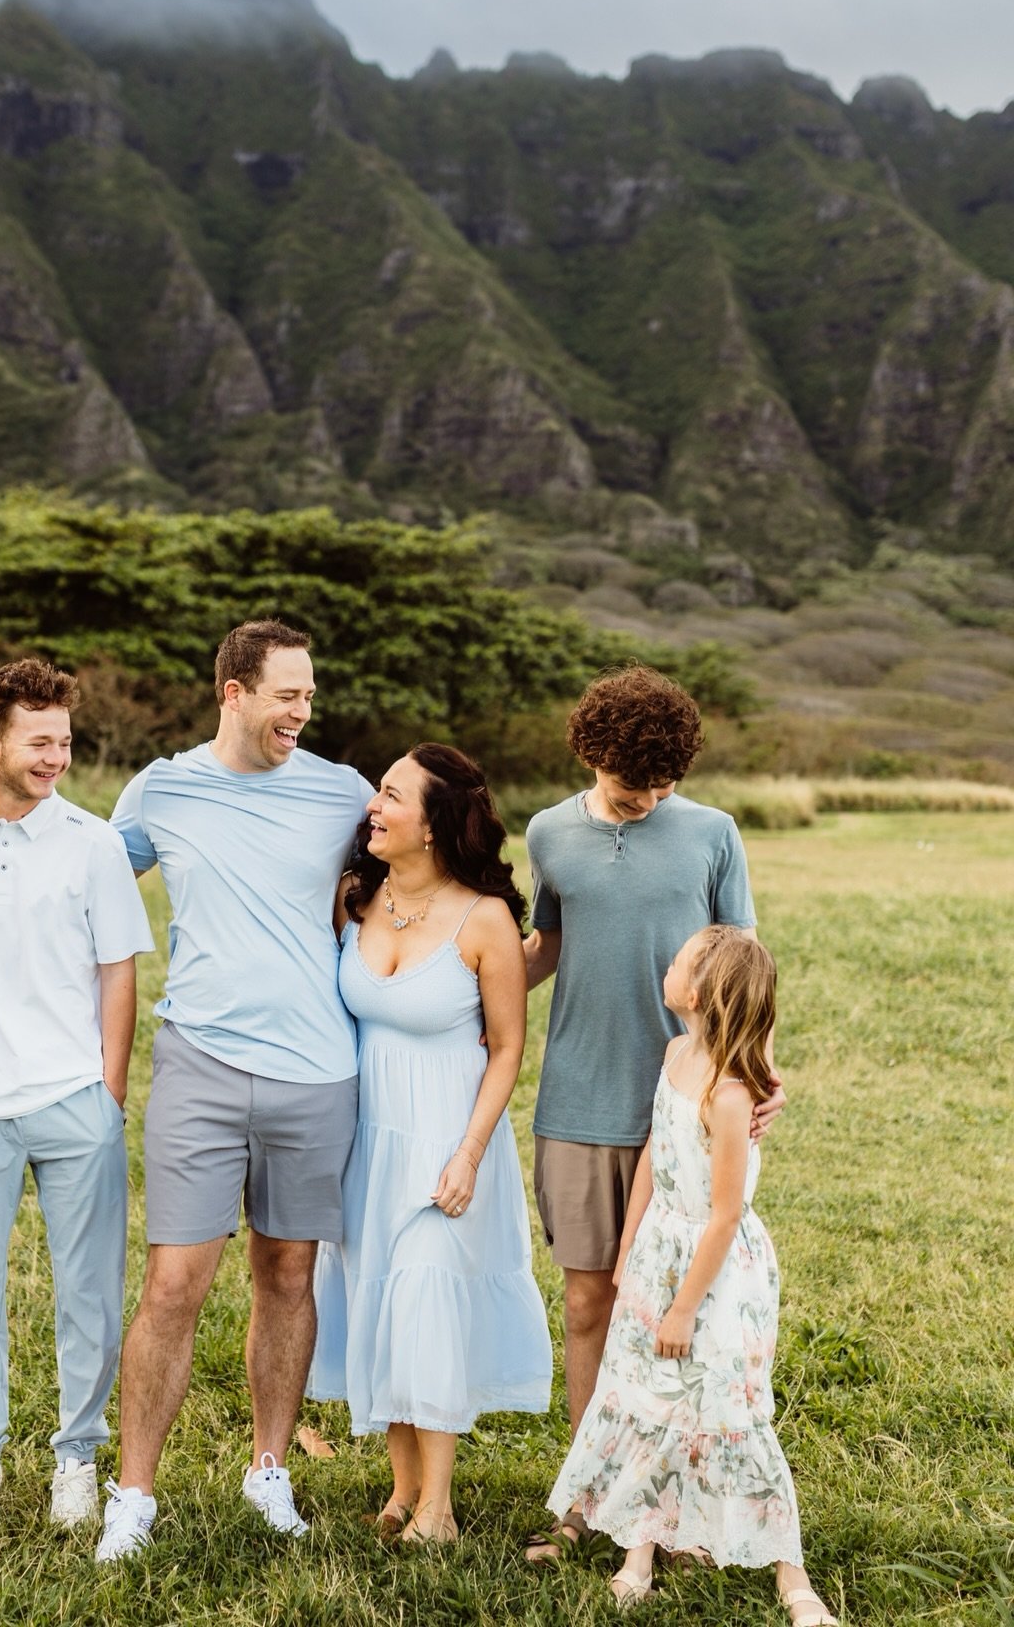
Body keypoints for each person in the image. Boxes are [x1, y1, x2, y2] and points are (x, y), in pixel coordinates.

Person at [95, 619, 372, 1563]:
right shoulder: (162, 787)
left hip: (317, 1073)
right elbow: (84, 885)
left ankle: (269, 1470)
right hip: (200, 1065)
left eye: (308, 694)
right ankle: (132, 1494)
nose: (304, 710)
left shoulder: (344, 793)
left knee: (287, 1274)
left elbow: (417, 878)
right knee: (175, 1283)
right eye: (287, 694)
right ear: (234, 693)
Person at [522, 663, 781, 1565]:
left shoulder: (713, 832)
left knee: (683, 1311)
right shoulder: (549, 832)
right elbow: (545, 944)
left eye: (665, 784)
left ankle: (674, 1510)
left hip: (688, 1106)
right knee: (594, 1301)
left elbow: (746, 963)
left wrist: (763, 1073)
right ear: (594, 756)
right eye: (636, 787)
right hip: (579, 1104)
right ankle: (590, 1498)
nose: (651, 799)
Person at [0, 659, 154, 1527]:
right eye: (39, 742)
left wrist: (108, 1092)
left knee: (88, 1287)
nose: (56, 758)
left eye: (66, 743)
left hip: (74, 1098)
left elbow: (117, 970)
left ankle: (76, 1459)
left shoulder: (92, 842)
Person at [548, 928, 838, 1625]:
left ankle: (792, 1576)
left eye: (677, 962)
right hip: (657, 1253)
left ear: (699, 992)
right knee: (651, 1402)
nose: (667, 966)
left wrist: (682, 1309)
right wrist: (626, 1249)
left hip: (714, 1275)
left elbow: (725, 1215)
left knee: (730, 1409)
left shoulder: (732, 1096)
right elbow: (653, 1149)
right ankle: (639, 1550)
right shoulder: (677, 1053)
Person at [307, 744, 553, 1544]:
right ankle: (402, 1486)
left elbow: (509, 1047)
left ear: (435, 824)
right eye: (378, 793)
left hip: (446, 1136)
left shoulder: (483, 917)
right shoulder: (355, 900)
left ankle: (440, 1507)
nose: (373, 808)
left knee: (427, 1301)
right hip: (363, 1139)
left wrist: (469, 1153)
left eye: (391, 796)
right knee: (377, 1298)